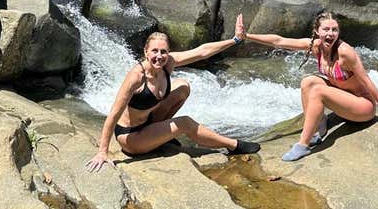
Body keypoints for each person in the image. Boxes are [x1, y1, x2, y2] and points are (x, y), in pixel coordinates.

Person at [236, 11, 378, 161]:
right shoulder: (316, 46)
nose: (330, 33)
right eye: (326, 29)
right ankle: (319, 127)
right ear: (317, 31)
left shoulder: (345, 53)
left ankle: (303, 145)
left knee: (318, 90)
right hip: (343, 98)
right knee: (308, 82)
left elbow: (366, 80)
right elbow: (279, 41)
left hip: (362, 106)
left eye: (334, 29)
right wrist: (247, 36)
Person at [85, 31, 260, 172]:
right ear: (146, 51)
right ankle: (233, 145)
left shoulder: (167, 63)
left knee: (183, 86)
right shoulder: (136, 77)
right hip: (131, 137)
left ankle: (161, 137)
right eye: (154, 51)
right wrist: (103, 152)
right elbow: (114, 114)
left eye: (163, 51)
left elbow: (201, 52)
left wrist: (235, 40)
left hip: (148, 122)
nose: (159, 56)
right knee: (184, 123)